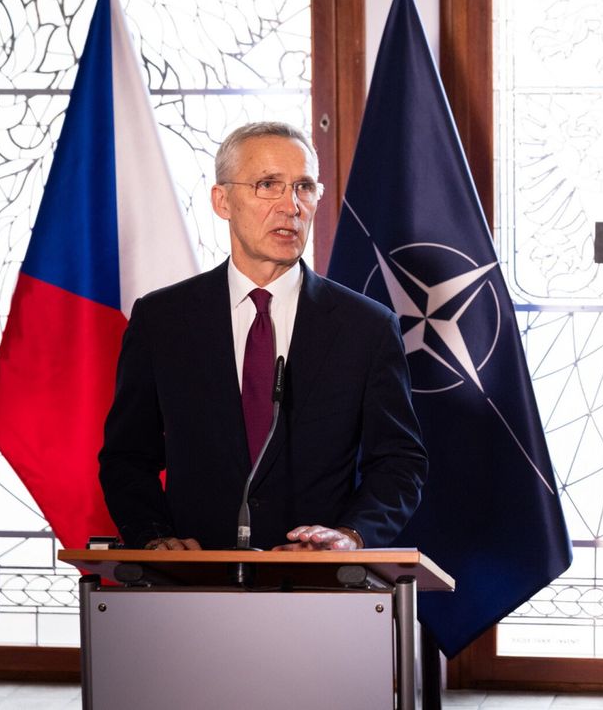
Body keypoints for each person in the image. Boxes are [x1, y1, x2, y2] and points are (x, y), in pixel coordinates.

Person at [99, 121, 428, 551]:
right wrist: (155, 538)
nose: (291, 206)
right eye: (268, 185)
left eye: (304, 187)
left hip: (317, 590)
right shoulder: (162, 320)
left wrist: (349, 536)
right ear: (223, 201)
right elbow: (127, 458)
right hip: (191, 586)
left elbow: (399, 462)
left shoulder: (366, 327)